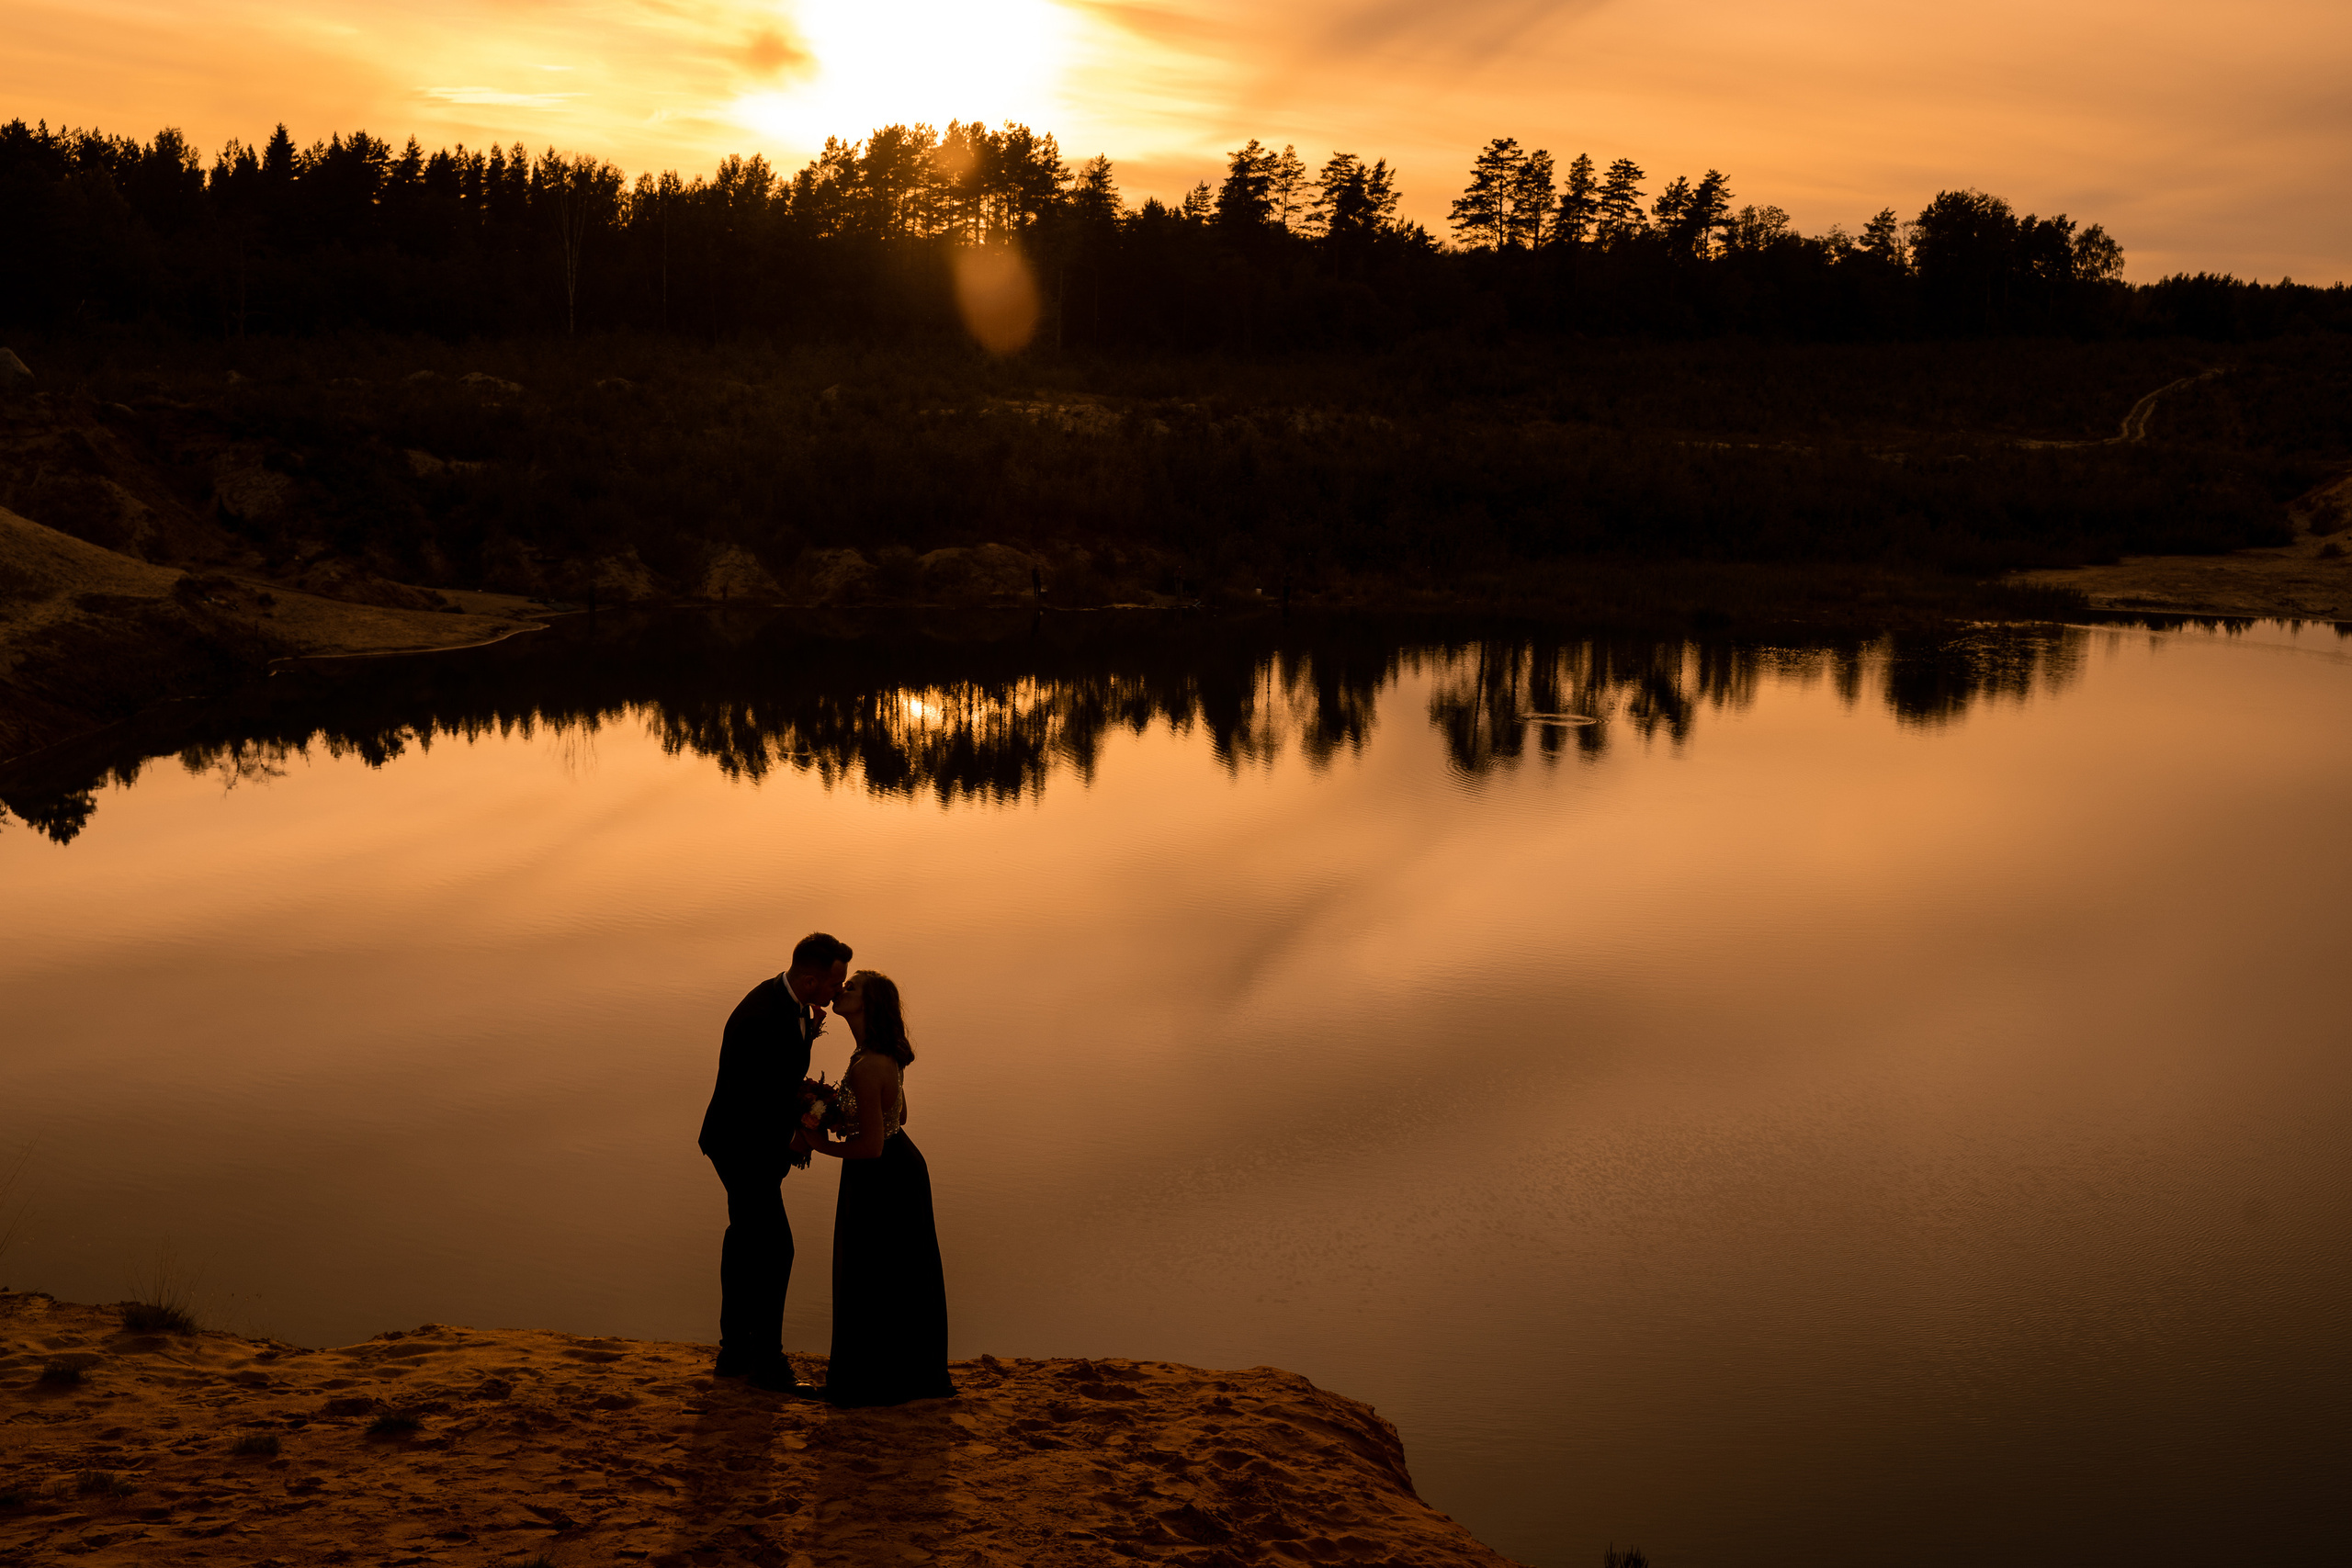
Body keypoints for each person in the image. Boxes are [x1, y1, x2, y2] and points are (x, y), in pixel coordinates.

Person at [696, 931, 853, 1394]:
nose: (836, 992)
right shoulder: (761, 1017)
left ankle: (735, 1353)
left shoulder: (791, 1004)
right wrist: (795, 1134)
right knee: (774, 1247)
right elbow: (750, 1098)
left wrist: (803, 1105)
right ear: (809, 980)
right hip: (740, 1144)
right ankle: (767, 1361)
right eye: (832, 983)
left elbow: (774, 1080)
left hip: (751, 1141)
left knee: (745, 1239)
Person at [798, 970, 956, 1405]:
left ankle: (867, 1382)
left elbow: (869, 1147)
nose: (841, 990)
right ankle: (896, 1376)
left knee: (871, 1273)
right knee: (893, 1274)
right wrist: (835, 1114)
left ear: (868, 1005)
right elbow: (899, 1119)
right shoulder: (873, 1054)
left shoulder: (870, 1065)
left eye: (851, 988)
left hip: (883, 1176)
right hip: (897, 1168)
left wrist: (817, 1140)